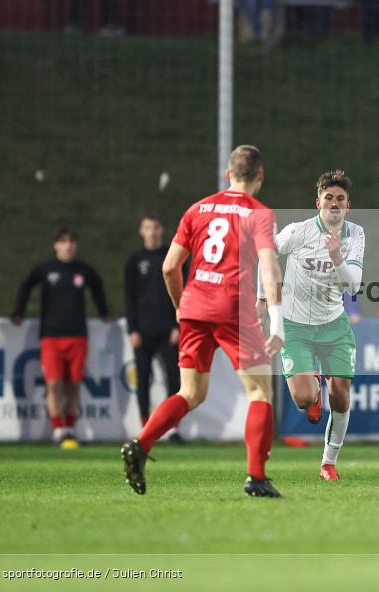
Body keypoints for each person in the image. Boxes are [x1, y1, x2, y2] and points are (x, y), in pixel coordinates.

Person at [121, 145, 285, 498]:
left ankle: (141, 443)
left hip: (195, 306)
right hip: (232, 308)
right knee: (259, 391)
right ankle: (256, 477)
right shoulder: (259, 213)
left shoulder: (197, 209)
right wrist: (277, 319)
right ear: (260, 176)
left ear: (228, 175)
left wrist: (181, 306)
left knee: (190, 392)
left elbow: (169, 267)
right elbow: (270, 267)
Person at [260, 170, 365, 481]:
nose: (334, 203)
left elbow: (353, 286)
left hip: (334, 325)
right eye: (328, 198)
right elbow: (266, 256)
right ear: (318, 202)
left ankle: (328, 463)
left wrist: (336, 257)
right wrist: (261, 299)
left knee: (341, 394)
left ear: (348, 205)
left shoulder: (355, 235)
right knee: (304, 399)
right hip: (295, 326)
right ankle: (313, 390)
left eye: (340, 199)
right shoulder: (299, 231)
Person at [12, 227, 112, 449]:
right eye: (64, 242)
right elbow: (26, 286)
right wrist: (19, 311)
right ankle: (58, 428)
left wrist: (104, 311)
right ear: (56, 245)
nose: (68, 246)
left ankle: (71, 428)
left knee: (73, 384)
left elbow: (98, 287)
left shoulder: (83, 270)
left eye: (72, 242)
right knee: (54, 384)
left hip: (77, 336)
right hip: (51, 336)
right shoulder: (46, 270)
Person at [124, 215, 183, 441]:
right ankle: (145, 427)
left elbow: (184, 290)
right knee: (142, 378)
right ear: (141, 231)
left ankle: (172, 428)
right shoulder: (135, 261)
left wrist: (178, 324)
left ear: (162, 230)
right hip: (143, 330)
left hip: (169, 330)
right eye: (148, 227)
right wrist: (132, 329)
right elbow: (129, 298)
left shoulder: (173, 256)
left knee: (174, 377)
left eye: (156, 227)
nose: (152, 232)